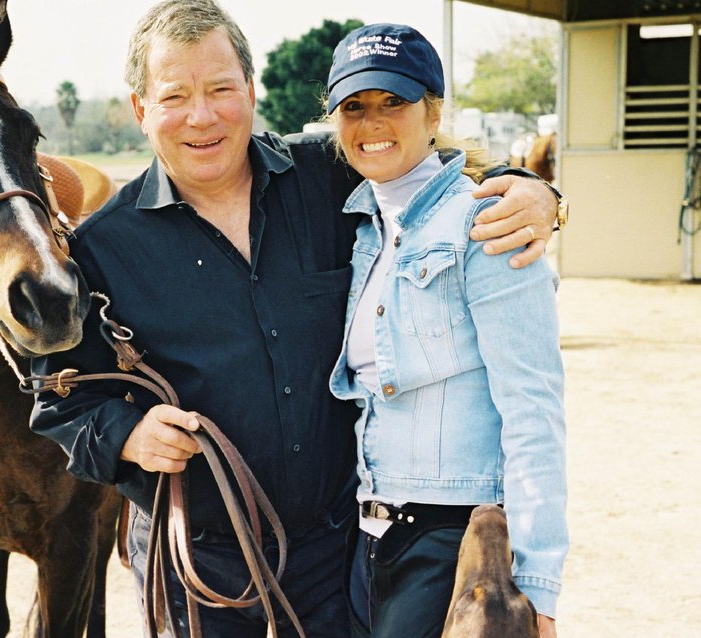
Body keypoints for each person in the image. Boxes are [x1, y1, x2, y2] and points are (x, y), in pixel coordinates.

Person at [29, 1, 562, 636]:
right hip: (200, 566)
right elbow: (60, 400)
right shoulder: (102, 248)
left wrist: (533, 191)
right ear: (142, 110)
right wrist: (126, 434)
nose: (202, 116)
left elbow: (426, 170)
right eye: (176, 96)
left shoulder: (327, 177)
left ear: (251, 93)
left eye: (222, 89)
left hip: (338, 555)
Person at [324, 23, 567, 638]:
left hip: (451, 540)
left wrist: (537, 586)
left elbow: (533, 407)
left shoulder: (485, 224)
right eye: (354, 107)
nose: (372, 123)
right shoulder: (361, 232)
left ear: (432, 111)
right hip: (365, 539)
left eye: (393, 102)